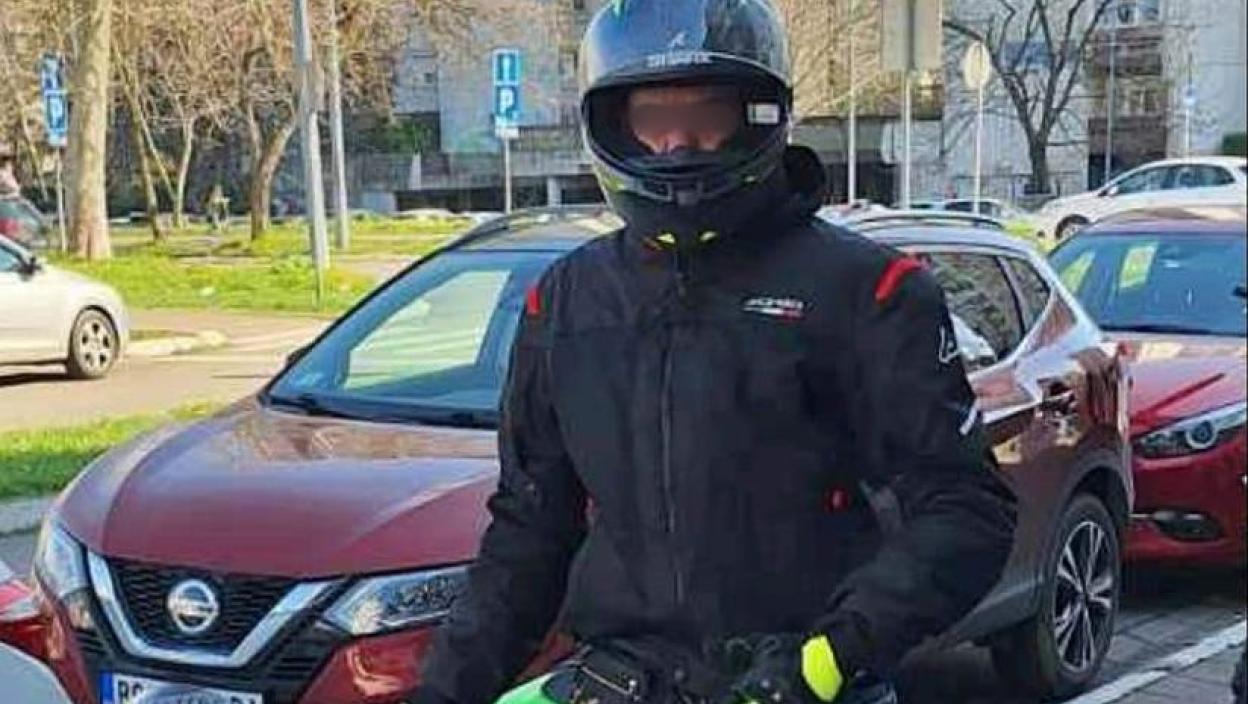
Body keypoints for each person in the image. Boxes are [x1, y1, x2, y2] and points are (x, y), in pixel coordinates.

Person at [413, 2, 1017, 704]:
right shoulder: (568, 300)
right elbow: (528, 532)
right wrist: (447, 690)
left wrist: (831, 657)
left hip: (804, 681)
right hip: (617, 682)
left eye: (706, 114)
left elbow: (965, 509)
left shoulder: (867, 290)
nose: (678, 142)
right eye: (654, 117)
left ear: (756, 115)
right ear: (615, 125)